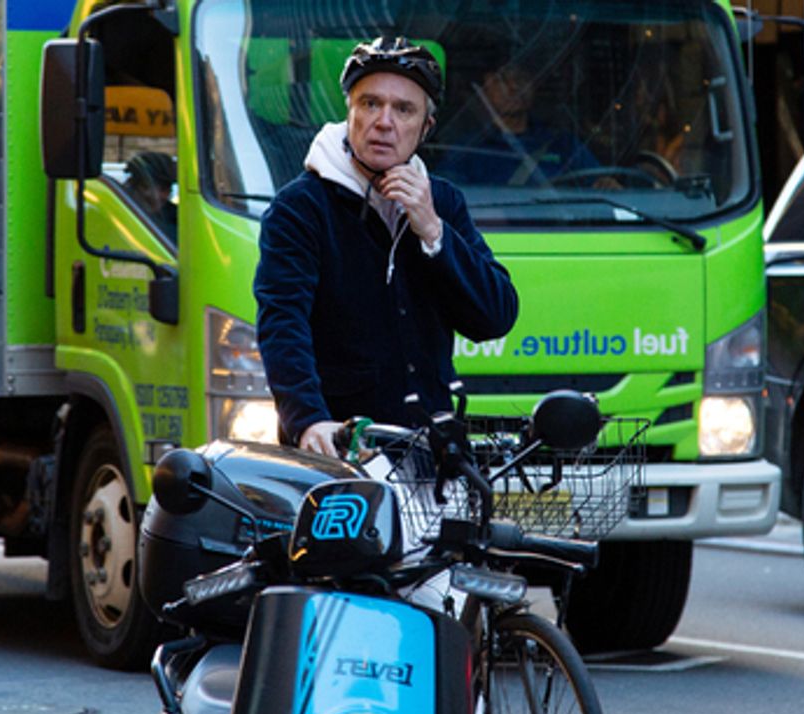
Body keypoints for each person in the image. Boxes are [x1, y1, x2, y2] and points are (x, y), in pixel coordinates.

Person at [255, 37, 519, 457]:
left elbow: (495, 316)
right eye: (370, 104)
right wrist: (307, 421)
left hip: (431, 450)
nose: (383, 122)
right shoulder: (300, 207)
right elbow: (283, 323)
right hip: (340, 452)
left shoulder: (442, 201)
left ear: (425, 128)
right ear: (349, 112)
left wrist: (433, 231)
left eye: (403, 109)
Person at [437, 61, 606, 187]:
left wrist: (606, 184)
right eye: (502, 80)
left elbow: (600, 184)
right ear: (484, 89)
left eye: (521, 79)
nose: (514, 87)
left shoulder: (562, 143)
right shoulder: (466, 150)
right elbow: (448, 202)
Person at [124, 150, 178, 242]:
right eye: (145, 186)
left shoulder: (178, 220)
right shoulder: (120, 213)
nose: (162, 196)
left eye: (167, 188)